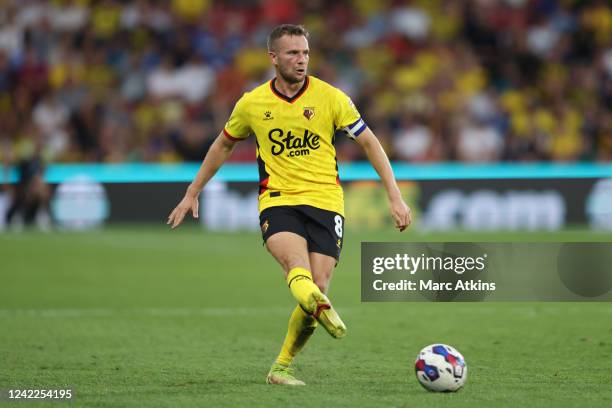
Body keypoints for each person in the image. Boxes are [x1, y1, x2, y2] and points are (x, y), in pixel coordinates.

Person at [167, 24, 411, 386]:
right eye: (294, 53)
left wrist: (394, 194)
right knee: (296, 269)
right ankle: (317, 313)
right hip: (278, 200)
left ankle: (281, 366)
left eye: (306, 53)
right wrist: (192, 191)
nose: (302, 60)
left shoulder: (332, 98)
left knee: (318, 286)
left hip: (327, 202)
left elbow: (370, 144)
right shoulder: (252, 103)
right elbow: (222, 145)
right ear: (274, 58)